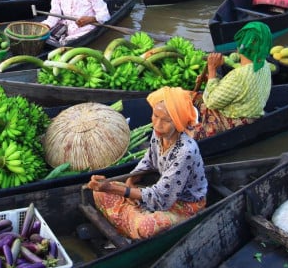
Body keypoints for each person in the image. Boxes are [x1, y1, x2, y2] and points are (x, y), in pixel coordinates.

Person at [87, 87, 207, 240]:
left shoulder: (186, 151)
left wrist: (116, 189)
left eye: (166, 120)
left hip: (183, 205)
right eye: (155, 116)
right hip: (160, 194)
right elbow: (149, 160)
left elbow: (160, 198)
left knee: (147, 227)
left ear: (178, 123)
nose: (157, 125)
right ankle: (135, 217)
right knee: (99, 192)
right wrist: (130, 181)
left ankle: (135, 220)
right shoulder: (159, 134)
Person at [189, 22, 273, 139]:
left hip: (233, 121)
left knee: (186, 114)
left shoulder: (239, 75)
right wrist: (211, 80)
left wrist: (212, 70)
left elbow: (211, 103)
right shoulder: (264, 66)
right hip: (252, 114)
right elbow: (237, 90)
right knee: (192, 98)